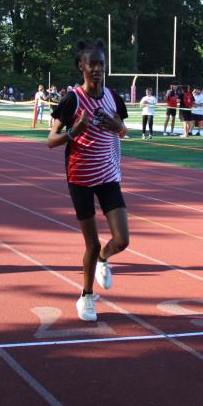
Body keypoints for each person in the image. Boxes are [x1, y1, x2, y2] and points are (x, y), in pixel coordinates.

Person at [48, 40, 130, 322]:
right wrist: (74, 131)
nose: (97, 69)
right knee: (91, 244)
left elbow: (123, 130)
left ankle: (105, 259)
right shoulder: (71, 100)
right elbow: (50, 140)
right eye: (92, 64)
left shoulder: (113, 97)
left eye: (101, 64)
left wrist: (118, 127)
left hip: (108, 175)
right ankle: (86, 296)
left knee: (122, 240)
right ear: (81, 66)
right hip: (80, 177)